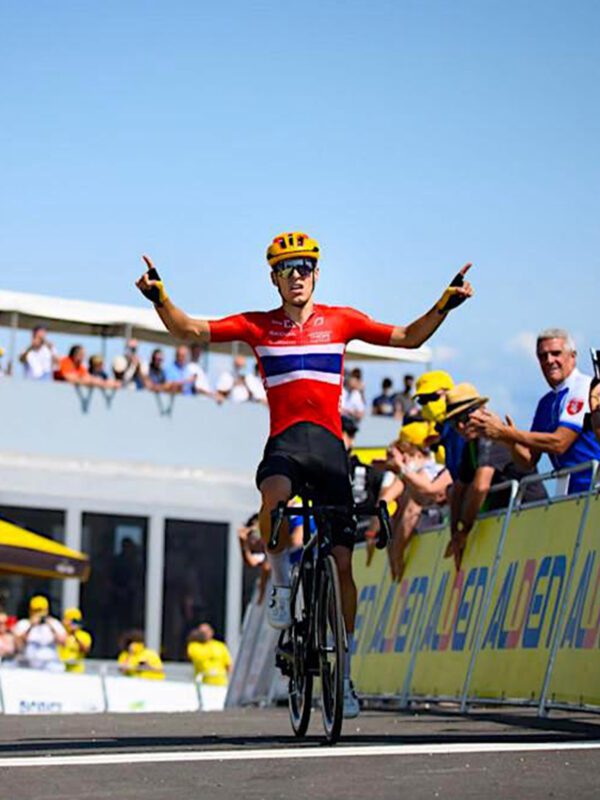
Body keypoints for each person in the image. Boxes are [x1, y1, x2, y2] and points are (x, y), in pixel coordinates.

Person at [135, 230, 474, 717]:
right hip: (287, 444)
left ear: (317, 273)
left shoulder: (341, 320)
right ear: (273, 279)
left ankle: (345, 675)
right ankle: (280, 582)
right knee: (273, 495)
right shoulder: (257, 325)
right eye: (286, 269)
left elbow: (407, 337)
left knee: (342, 564)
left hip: (330, 450)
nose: (296, 276)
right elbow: (188, 330)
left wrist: (444, 304)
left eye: (305, 267)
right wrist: (160, 298)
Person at [470, 329, 600, 496]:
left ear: (572, 356)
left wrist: (507, 433)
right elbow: (528, 461)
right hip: (569, 493)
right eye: (543, 356)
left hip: (593, 487)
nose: (549, 360)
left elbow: (560, 443)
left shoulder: (583, 387)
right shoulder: (545, 403)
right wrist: (506, 438)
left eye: (556, 353)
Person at [445, 383, 547, 568]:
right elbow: (458, 490)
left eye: (465, 418)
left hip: (530, 515)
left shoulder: (491, 437)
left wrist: (464, 531)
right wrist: (454, 532)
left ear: (482, 410)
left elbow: (480, 487)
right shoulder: (472, 445)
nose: (460, 426)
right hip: (508, 519)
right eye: (454, 423)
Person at [384, 421, 452, 580]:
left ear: (413, 454)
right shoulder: (411, 476)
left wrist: (396, 555)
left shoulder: (427, 472)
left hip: (437, 541)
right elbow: (385, 503)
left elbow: (411, 510)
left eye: (402, 454)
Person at [414, 370, 465, 480]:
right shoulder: (441, 428)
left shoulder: (461, 425)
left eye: (433, 397)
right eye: (422, 400)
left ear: (450, 393)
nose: (428, 404)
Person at [12, 595, 67, 671]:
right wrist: (31, 626)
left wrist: (51, 626)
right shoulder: (23, 624)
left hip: (50, 665)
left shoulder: (54, 623)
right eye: (36, 611)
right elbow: (18, 645)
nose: (39, 615)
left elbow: (63, 642)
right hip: (28, 665)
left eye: (41, 611)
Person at [58, 607, 93, 673]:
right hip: (61, 668)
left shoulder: (84, 635)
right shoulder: (61, 633)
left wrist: (75, 635)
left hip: (76, 670)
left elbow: (86, 650)